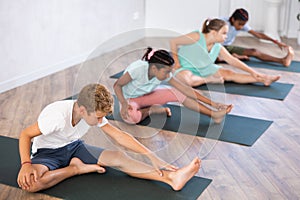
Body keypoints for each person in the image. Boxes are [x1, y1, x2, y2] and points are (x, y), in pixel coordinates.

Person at [17, 83, 201, 192]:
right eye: (97, 117)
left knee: (118, 158)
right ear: (82, 110)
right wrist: (26, 165)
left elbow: (119, 136)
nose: (100, 120)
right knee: (32, 184)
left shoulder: (88, 111)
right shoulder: (56, 117)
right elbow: (25, 134)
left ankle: (172, 178)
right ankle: (76, 169)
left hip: (74, 147)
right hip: (47, 153)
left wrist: (150, 155)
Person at [113, 47, 233, 125]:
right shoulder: (137, 69)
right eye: (166, 72)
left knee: (179, 93)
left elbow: (185, 90)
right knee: (132, 118)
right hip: (129, 99)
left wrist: (214, 105)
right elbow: (117, 85)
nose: (169, 75)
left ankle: (213, 115)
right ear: (154, 68)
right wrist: (123, 104)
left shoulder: (163, 73)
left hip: (147, 96)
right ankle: (152, 110)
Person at [169, 18, 281, 87]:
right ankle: (209, 80)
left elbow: (232, 60)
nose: (226, 36)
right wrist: (177, 63)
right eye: (224, 33)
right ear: (213, 32)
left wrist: (253, 72)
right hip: (185, 68)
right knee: (187, 81)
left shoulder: (218, 46)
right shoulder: (197, 36)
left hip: (204, 69)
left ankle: (264, 79)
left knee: (229, 74)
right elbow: (174, 41)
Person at [220, 8, 294, 66]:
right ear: (233, 19)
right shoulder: (221, 22)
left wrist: (276, 42)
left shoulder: (241, 25)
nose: (241, 27)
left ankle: (282, 61)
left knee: (254, 51)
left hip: (227, 47)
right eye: (240, 24)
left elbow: (258, 35)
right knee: (216, 58)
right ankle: (231, 57)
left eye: (243, 25)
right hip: (214, 47)